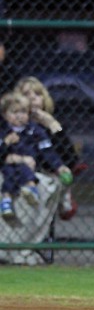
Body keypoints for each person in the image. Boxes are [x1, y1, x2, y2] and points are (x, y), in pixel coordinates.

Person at [14, 76, 81, 220]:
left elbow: (70, 159)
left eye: (37, 95)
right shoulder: (11, 125)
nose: (32, 99)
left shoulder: (52, 122)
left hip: (47, 171)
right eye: (26, 95)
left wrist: (51, 124)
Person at [0, 91, 73, 219]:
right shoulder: (4, 132)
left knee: (25, 169)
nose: (19, 116)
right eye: (14, 112)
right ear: (5, 115)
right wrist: (5, 143)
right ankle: (6, 202)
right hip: (9, 163)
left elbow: (47, 150)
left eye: (23, 112)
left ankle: (31, 189)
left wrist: (59, 166)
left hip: (29, 164)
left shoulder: (35, 130)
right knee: (8, 173)